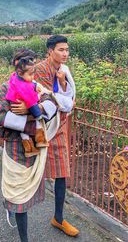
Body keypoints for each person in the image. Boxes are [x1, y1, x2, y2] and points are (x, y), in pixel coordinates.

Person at [0, 48, 62, 242]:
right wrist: (29, 121)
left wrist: (32, 109)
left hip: (34, 146)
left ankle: (12, 207)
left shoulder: (36, 86)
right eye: (22, 62)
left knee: (24, 195)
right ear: (17, 67)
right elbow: (0, 117)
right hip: (16, 147)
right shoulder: (5, 88)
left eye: (31, 62)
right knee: (18, 194)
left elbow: (52, 105)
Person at [34, 35, 79, 237]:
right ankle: (16, 209)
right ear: (50, 51)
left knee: (62, 172)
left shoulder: (64, 71)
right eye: (61, 50)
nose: (65, 54)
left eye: (67, 50)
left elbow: (69, 96)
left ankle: (59, 218)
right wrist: (66, 101)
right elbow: (46, 98)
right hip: (42, 127)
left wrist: (62, 85)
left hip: (59, 126)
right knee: (30, 170)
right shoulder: (41, 69)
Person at [5, 55, 48, 158]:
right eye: (30, 75)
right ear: (20, 73)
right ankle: (40, 138)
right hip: (21, 103)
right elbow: (31, 100)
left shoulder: (14, 78)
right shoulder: (25, 86)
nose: (33, 77)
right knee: (37, 118)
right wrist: (38, 113)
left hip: (13, 104)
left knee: (22, 129)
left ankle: (29, 148)